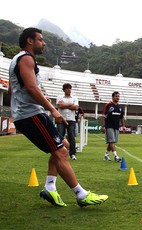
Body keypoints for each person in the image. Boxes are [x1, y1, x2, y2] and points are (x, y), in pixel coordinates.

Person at [8, 27, 108, 207]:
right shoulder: (26, 58)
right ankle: (80, 194)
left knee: (65, 145)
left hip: (29, 112)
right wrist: (53, 109)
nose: (43, 43)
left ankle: (50, 187)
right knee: (61, 151)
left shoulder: (17, 60)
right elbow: (31, 88)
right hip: (31, 115)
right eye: (40, 39)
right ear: (30, 41)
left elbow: (13, 90)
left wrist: (41, 99)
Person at [56, 83, 78, 160]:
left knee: (71, 137)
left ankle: (72, 154)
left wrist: (64, 105)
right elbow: (59, 106)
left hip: (71, 120)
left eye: (70, 88)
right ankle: (59, 152)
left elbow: (76, 107)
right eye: (67, 88)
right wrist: (70, 105)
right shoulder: (60, 97)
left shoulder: (74, 98)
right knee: (60, 136)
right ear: (64, 90)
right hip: (61, 119)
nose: (69, 90)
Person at [102, 91, 125, 162]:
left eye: (118, 96)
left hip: (116, 126)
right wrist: (103, 126)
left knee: (112, 141)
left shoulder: (120, 107)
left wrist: (123, 126)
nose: (117, 97)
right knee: (112, 141)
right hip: (109, 126)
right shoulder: (108, 105)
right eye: (116, 96)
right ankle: (116, 156)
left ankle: (106, 155)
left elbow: (122, 117)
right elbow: (103, 116)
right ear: (112, 97)